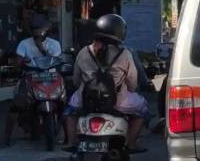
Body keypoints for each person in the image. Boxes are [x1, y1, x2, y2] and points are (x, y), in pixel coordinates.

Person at [63, 14, 149, 153]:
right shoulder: (125, 53)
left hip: (85, 99)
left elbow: (76, 81)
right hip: (118, 101)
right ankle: (131, 143)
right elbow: (132, 83)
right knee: (143, 109)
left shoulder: (84, 52)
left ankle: (71, 142)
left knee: (69, 111)